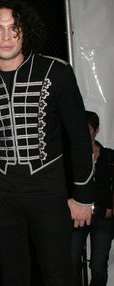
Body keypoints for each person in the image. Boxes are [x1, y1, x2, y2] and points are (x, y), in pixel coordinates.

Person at [0, 0, 94, 286]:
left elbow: (79, 137)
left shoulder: (55, 72)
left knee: (58, 273)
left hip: (49, 192)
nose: (7, 37)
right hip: (1, 194)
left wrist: (83, 195)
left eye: (14, 28)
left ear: (26, 31)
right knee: (10, 276)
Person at [71, 111, 114, 286]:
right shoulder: (71, 156)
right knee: (70, 262)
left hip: (103, 216)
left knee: (97, 267)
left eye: (87, 129)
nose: (83, 132)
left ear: (96, 130)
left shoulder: (110, 156)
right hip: (77, 217)